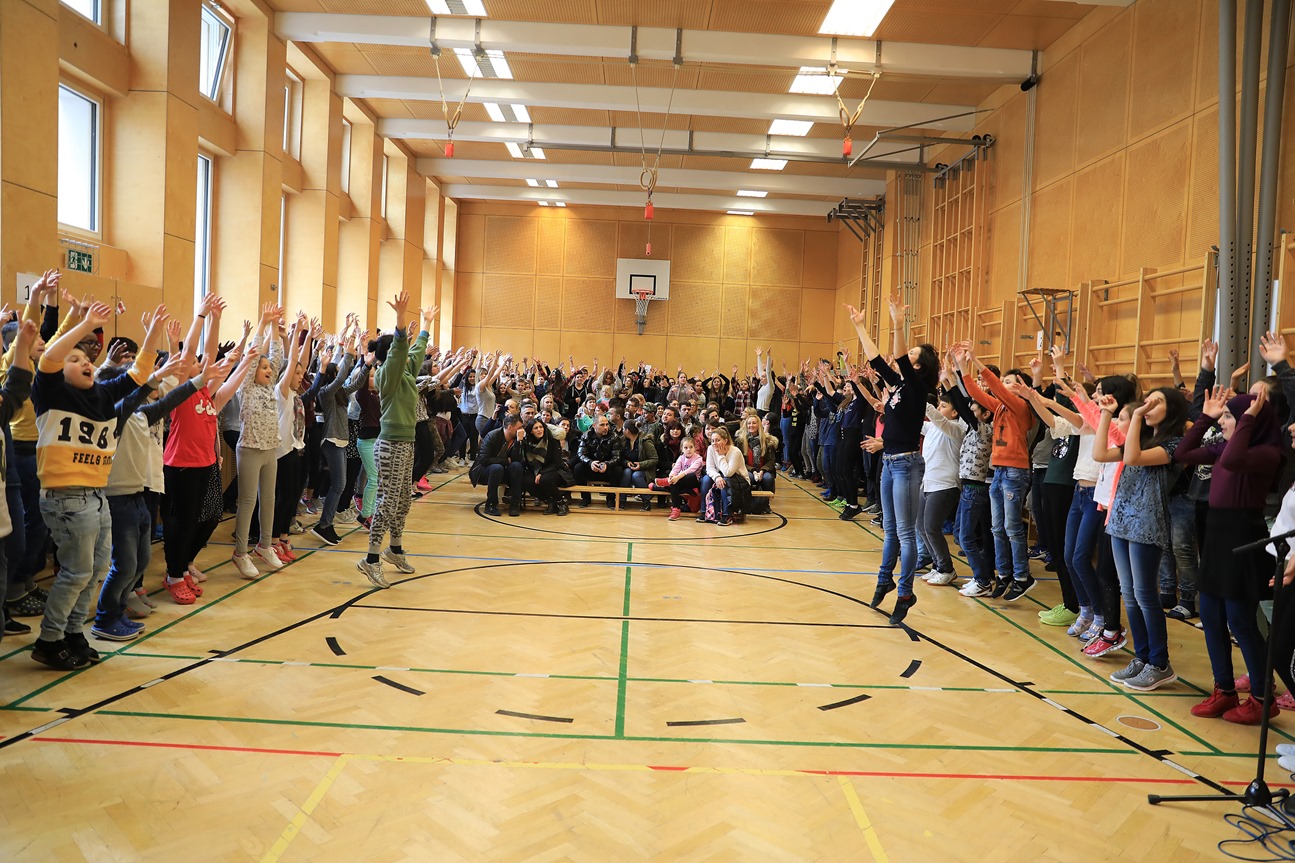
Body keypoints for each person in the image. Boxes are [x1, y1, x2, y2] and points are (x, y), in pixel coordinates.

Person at [29, 301, 166, 669]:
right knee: (75, 573)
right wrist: (83, 323)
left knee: (96, 570)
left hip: (97, 496)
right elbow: (49, 359)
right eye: (75, 360)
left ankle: (73, 632)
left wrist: (153, 331)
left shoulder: (104, 396)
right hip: (66, 498)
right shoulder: (51, 393)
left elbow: (139, 373)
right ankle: (49, 638)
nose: (86, 361)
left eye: (87, 358)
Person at [1177, 386, 1285, 723]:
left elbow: (1237, 460)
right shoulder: (1224, 446)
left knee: (1240, 620)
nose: (1223, 422)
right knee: (1210, 615)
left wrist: (1246, 419)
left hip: (1244, 537)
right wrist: (1206, 417)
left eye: (1229, 417)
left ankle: (1262, 698)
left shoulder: (1268, 452)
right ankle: (1224, 690)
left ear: (1250, 422)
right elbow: (1183, 452)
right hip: (1217, 536)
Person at [847, 297, 938, 626]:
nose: (904, 356)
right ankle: (885, 579)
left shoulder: (917, 386)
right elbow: (876, 359)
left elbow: (897, 355)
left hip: (907, 467)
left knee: (905, 533)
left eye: (912, 356)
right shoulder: (899, 386)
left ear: (918, 366)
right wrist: (859, 326)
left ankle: (905, 591)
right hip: (890, 462)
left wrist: (899, 324)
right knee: (890, 531)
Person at [1095, 386, 1190, 691]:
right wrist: (1107, 413)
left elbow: (1133, 458)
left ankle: (1159, 663)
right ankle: (1142, 657)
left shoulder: (1175, 444)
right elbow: (1099, 453)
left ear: (1171, 410)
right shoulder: (1142, 437)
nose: (1148, 405)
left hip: (1146, 525)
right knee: (1129, 593)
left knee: (1145, 595)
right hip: (1120, 522)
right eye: (1146, 399)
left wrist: (1135, 414)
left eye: (1156, 402)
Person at [355, 295, 437, 589]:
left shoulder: (404, 371)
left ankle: (395, 549)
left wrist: (426, 324)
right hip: (389, 445)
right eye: (398, 352)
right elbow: (404, 348)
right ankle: (371, 559)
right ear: (390, 355)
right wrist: (401, 319)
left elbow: (415, 351)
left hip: (406, 443)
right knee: (387, 502)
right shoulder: (387, 373)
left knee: (403, 500)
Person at [471, 414, 524, 516]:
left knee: (517, 466)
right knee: (497, 468)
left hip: (502, 470)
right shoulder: (492, 436)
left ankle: (515, 504)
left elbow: (516, 459)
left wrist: (518, 442)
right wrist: (505, 461)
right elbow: (484, 460)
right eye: (519, 428)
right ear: (510, 427)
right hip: (483, 470)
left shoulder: (516, 438)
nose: (521, 430)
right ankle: (491, 504)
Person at [699, 426, 749, 526]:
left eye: (717, 440)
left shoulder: (735, 452)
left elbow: (728, 472)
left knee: (725, 480)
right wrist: (717, 477)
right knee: (705, 480)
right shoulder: (711, 449)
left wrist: (721, 455)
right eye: (712, 440)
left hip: (739, 481)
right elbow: (710, 468)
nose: (714, 443)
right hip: (721, 475)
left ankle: (727, 515)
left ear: (725, 440)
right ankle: (704, 511)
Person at [518, 416, 566, 515]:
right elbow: (521, 459)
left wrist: (541, 473)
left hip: (555, 470)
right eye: (536, 428)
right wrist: (518, 441)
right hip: (535, 470)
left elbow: (557, 463)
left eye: (541, 427)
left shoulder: (552, 440)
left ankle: (561, 503)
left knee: (544, 479)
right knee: (525, 480)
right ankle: (550, 501)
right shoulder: (526, 442)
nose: (539, 430)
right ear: (531, 431)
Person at [574, 414, 623, 508]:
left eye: (607, 424)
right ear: (594, 425)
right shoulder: (586, 435)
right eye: (602, 425)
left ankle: (610, 499)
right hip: (591, 466)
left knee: (618, 470)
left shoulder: (614, 437)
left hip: (607, 468)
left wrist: (607, 464)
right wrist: (590, 463)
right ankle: (585, 498)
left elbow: (617, 457)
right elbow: (580, 454)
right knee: (578, 468)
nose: (606, 428)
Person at [734, 413, 777, 513]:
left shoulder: (767, 441)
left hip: (763, 469)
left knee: (768, 478)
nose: (751, 425)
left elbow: (771, 461)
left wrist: (762, 471)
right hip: (747, 468)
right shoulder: (740, 441)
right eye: (749, 423)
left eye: (754, 423)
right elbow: (741, 462)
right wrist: (753, 471)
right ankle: (746, 504)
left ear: (759, 425)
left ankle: (765, 504)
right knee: (749, 478)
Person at [654, 436, 704, 520]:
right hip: (681, 482)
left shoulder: (698, 458)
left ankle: (665, 484)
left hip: (694, 481)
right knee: (674, 484)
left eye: (691, 447)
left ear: (695, 448)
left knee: (690, 475)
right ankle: (676, 510)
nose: (688, 449)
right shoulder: (681, 458)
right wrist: (671, 477)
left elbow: (690, 470)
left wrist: (676, 478)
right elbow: (675, 469)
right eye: (686, 447)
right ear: (682, 449)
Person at [620, 418, 659, 511]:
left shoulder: (645, 441)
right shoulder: (623, 441)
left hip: (646, 470)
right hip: (630, 467)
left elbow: (654, 459)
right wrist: (626, 463)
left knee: (636, 475)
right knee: (627, 472)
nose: (622, 431)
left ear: (627, 430)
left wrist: (641, 465)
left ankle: (646, 501)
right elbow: (620, 457)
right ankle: (621, 500)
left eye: (623, 429)